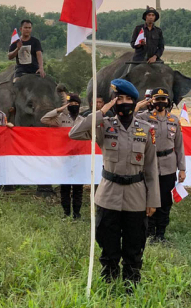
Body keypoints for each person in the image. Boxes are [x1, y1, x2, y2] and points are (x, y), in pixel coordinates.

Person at [69, 79, 160, 288]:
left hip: (136, 196)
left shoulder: (146, 129)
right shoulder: (103, 126)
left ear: (135, 101)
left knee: (134, 245)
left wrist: (153, 199)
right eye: (120, 98)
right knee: (108, 244)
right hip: (109, 194)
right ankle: (109, 282)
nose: (124, 102)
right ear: (113, 101)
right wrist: (101, 111)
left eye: (128, 99)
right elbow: (74, 133)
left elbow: (151, 168)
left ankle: (131, 284)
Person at [136, 87, 186, 242]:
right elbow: (131, 118)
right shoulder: (144, 117)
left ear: (168, 101)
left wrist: (182, 169)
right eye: (157, 99)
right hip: (149, 164)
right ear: (152, 101)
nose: (160, 102)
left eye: (163, 99)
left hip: (168, 166)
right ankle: (149, 232)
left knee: (165, 200)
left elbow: (179, 146)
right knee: (149, 198)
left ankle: (160, 233)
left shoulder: (174, 120)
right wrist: (140, 105)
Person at [41, 93, 84, 219]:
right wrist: (59, 109)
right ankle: (66, 213)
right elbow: (44, 119)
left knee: (78, 188)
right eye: (71, 104)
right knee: (65, 188)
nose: (74, 106)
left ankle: (77, 214)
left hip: (79, 157)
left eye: (76, 104)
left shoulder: (82, 120)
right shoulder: (60, 118)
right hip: (64, 158)